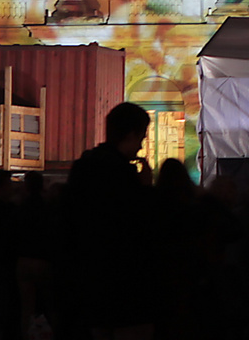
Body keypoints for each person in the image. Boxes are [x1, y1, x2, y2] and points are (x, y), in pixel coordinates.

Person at [64, 101, 156, 340]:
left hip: (86, 283)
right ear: (132, 134)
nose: (140, 146)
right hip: (121, 287)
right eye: (141, 138)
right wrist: (145, 189)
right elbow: (136, 227)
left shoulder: (83, 168)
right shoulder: (122, 176)